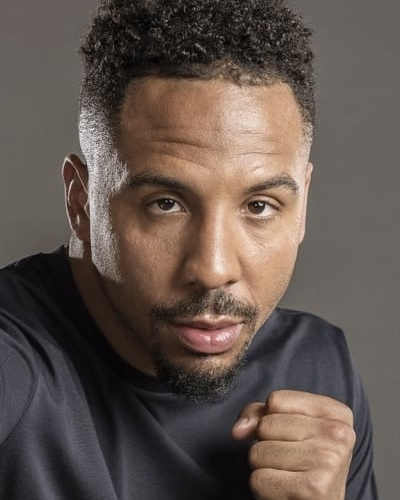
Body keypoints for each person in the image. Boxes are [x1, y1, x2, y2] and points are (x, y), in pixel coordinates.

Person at [0, 0, 378, 499]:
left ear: (302, 203)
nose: (213, 269)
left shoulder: (319, 371)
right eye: (166, 204)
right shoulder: (15, 364)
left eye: (259, 206)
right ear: (81, 203)